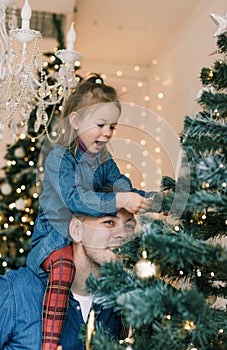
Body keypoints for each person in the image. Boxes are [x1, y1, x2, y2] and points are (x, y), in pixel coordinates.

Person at [26, 73, 157, 349]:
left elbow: (119, 183)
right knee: (62, 270)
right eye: (100, 125)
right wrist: (119, 200)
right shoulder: (59, 158)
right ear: (75, 121)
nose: (107, 133)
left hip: (84, 235)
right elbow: (75, 199)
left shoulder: (104, 158)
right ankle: (49, 344)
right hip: (56, 238)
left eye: (113, 127)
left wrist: (146, 198)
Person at [0, 206, 137, 349]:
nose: (123, 234)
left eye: (129, 225)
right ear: (77, 230)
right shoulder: (14, 293)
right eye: (109, 222)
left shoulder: (126, 301)